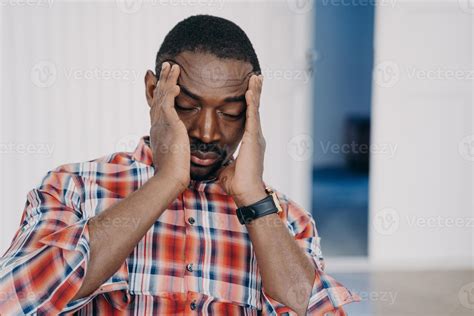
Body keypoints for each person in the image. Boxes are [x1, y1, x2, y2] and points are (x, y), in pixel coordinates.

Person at [0, 14, 359, 315]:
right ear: (153, 92)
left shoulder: (287, 220)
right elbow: (13, 303)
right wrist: (167, 181)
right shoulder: (73, 188)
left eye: (231, 113)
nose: (207, 130)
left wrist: (255, 203)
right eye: (187, 107)